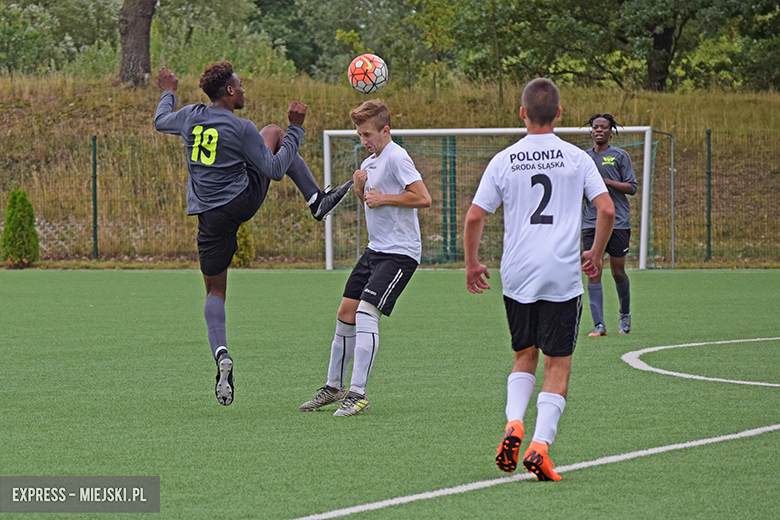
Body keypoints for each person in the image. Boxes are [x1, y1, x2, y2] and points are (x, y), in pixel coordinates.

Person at [154, 62, 353, 406]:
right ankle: (316, 200)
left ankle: (221, 352)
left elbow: (160, 121)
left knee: (215, 290)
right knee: (275, 132)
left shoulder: (189, 116)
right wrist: (296, 129)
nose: (244, 90)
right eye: (241, 86)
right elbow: (275, 169)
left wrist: (169, 90)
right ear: (230, 92)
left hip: (209, 216)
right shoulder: (241, 126)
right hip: (240, 200)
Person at [464, 78, 615, 481]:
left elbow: (475, 216)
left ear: (522, 113)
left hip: (517, 272)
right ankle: (540, 447)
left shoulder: (504, 160)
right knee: (558, 364)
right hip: (561, 273)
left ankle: (514, 423)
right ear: (560, 115)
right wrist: (595, 254)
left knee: (524, 356)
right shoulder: (577, 158)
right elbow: (606, 210)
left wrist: (472, 263)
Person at [299, 99, 431, 416]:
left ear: (386, 130)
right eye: (360, 134)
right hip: (376, 249)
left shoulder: (397, 157)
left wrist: (384, 196)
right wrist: (360, 193)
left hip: (400, 253)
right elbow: (373, 207)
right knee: (346, 311)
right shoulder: (371, 162)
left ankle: (358, 393)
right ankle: (334, 387)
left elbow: (423, 198)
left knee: (365, 313)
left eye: (368, 134)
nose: (364, 141)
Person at [582, 114, 638, 337]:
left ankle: (625, 314)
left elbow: (632, 187)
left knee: (617, 271)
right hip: (591, 223)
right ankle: (599, 325)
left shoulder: (619, 156)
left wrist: (604, 182)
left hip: (618, 222)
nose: (599, 130)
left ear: (610, 132)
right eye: (595, 127)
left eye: (603, 127)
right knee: (593, 270)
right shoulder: (583, 158)